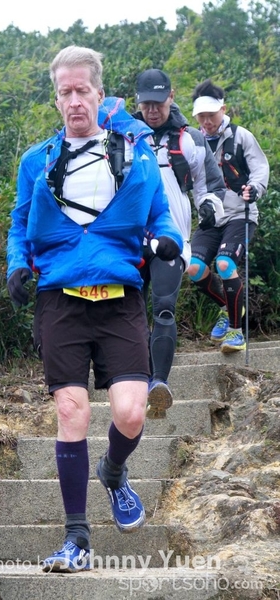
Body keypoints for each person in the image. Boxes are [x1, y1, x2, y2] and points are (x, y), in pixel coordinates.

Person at [6, 46, 183, 573]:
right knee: (71, 411)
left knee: (131, 412)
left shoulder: (135, 154)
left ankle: (114, 471)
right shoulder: (37, 161)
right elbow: (19, 224)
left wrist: (169, 242)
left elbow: (160, 216)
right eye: (65, 92)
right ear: (56, 100)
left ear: (100, 94)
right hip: (59, 300)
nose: (75, 100)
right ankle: (76, 538)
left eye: (83, 90)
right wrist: (17, 266)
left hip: (119, 298)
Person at [132, 69, 226, 417]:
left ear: (171, 97)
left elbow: (210, 186)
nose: (152, 110)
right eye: (146, 104)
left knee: (164, 307)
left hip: (171, 238)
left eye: (158, 103)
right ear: (137, 102)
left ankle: (159, 383)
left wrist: (209, 206)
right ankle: (136, 381)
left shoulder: (190, 140)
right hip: (129, 240)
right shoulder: (125, 138)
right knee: (131, 314)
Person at [188, 79, 270, 352]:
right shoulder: (192, 141)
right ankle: (228, 306)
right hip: (211, 216)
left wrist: (254, 189)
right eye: (201, 116)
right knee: (194, 268)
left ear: (223, 109)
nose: (207, 121)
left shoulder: (240, 136)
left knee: (224, 264)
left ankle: (236, 331)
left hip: (240, 214)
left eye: (211, 115)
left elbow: (260, 168)